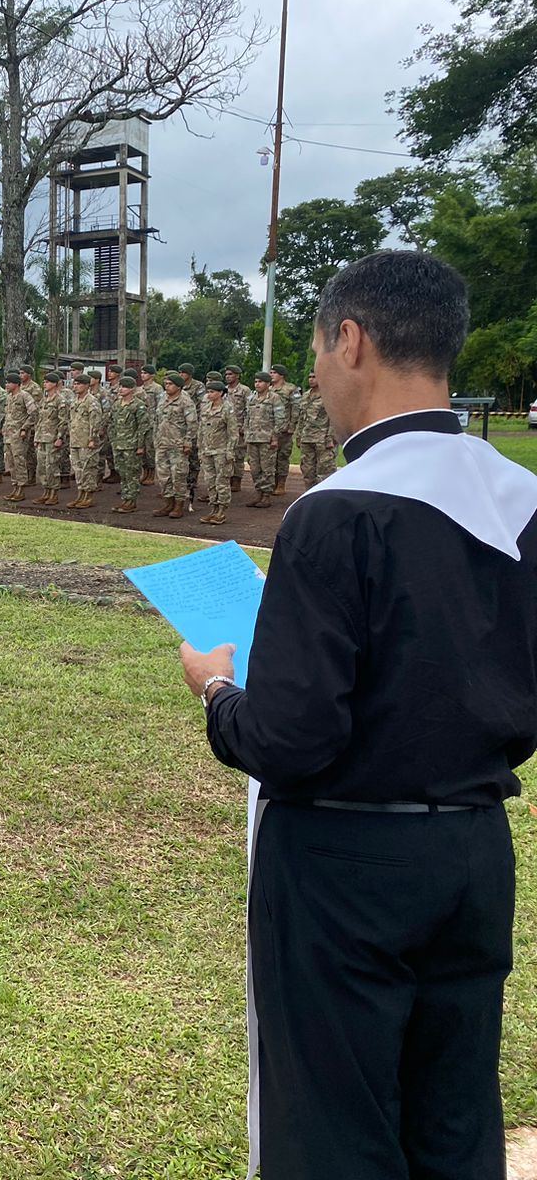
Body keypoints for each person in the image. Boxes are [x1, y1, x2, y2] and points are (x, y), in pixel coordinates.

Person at [182, 250, 535, 1180]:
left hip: (344, 865)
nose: (316, 379)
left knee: (334, 1127)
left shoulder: (336, 512)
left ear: (352, 340)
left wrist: (218, 692)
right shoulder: (522, 500)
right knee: (454, 1116)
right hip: (472, 850)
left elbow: (291, 741)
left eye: (316, 353)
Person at [152, 371, 196, 519]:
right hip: (162, 442)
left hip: (178, 444)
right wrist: (155, 439)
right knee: (163, 476)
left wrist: (188, 442)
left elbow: (192, 423)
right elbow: (157, 420)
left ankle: (178, 505)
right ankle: (168, 503)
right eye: (166, 384)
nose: (167, 386)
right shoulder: (163, 398)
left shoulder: (185, 401)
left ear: (178, 386)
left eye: (170, 384)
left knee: (178, 475)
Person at [195, 377, 238, 524]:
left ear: (220, 393)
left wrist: (230, 452)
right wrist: (200, 449)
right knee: (210, 481)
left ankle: (221, 510)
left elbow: (233, 433)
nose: (209, 394)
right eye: (208, 391)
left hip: (221, 451)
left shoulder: (227, 409)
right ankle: (213, 508)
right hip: (207, 451)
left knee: (222, 481)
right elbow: (201, 430)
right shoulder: (206, 408)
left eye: (212, 392)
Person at [107, 373, 149, 513]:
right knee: (122, 473)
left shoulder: (138, 405)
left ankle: (132, 501)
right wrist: (113, 440)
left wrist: (140, 445)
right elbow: (111, 424)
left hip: (131, 446)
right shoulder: (117, 404)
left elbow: (143, 427)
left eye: (125, 387)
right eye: (120, 386)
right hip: (118, 444)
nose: (121, 389)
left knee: (132, 474)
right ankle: (125, 499)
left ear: (132, 389)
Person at [243, 372, 286, 508]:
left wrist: (275, 437)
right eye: (256, 382)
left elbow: (280, 419)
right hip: (252, 439)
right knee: (255, 468)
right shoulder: (251, 398)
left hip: (267, 439)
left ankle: (266, 495)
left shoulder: (274, 398)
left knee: (267, 468)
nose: (257, 384)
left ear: (268, 384)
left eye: (260, 382)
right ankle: (258, 493)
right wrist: (246, 434)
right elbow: (247, 418)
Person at [66, 371, 105, 509]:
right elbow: (71, 420)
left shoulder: (92, 401)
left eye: (78, 384)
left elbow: (95, 422)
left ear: (87, 386)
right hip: (75, 440)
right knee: (78, 469)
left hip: (87, 441)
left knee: (88, 468)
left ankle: (88, 496)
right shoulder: (74, 401)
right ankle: (80, 494)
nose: (75, 386)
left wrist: (93, 439)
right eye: (74, 383)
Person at [32, 371, 69, 506]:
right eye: (44, 382)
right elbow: (39, 420)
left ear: (54, 384)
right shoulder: (44, 400)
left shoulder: (60, 400)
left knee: (52, 466)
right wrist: (36, 437)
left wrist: (60, 437)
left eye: (47, 382)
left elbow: (63, 420)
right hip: (42, 438)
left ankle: (54, 493)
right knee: (42, 467)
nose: (45, 384)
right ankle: (46, 491)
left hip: (53, 439)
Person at [269, 363, 304, 494]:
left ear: (281, 375)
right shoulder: (269, 389)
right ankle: (271, 483)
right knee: (270, 458)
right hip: (270, 429)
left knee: (282, 456)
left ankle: (281, 484)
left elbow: (296, 408)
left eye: (274, 373)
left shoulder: (290, 389)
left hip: (284, 429)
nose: (271, 375)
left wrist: (292, 425)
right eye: (271, 372)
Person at [2, 373, 37, 502]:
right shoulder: (9, 397)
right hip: (9, 434)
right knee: (11, 462)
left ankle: (21, 488)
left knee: (19, 461)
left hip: (19, 435)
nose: (6, 385)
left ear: (16, 384)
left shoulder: (25, 396)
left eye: (9, 383)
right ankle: (15, 486)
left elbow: (33, 413)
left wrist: (24, 428)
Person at [297, 372, 336, 488]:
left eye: (314, 377)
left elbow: (333, 418)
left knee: (325, 471)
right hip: (307, 438)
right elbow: (301, 417)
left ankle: (325, 497)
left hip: (322, 439)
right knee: (307, 470)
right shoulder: (305, 396)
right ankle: (309, 495)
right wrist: (299, 436)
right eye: (309, 377)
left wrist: (330, 437)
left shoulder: (328, 395)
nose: (311, 380)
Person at [223, 364, 249, 492]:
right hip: (225, 429)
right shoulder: (223, 390)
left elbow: (249, 409)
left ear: (237, 376)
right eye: (226, 374)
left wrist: (244, 427)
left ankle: (237, 480)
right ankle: (227, 479)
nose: (228, 377)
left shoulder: (244, 390)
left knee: (238, 455)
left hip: (239, 428)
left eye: (230, 374)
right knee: (226, 455)